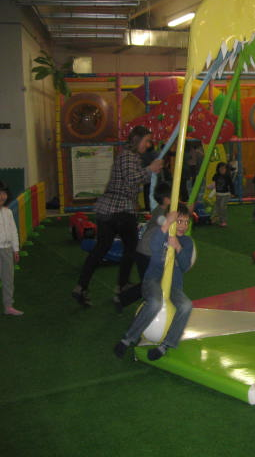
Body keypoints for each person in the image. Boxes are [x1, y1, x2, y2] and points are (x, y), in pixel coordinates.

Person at [71, 126, 163, 307]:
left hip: (108, 210)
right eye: (146, 141)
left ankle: (81, 286)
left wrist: (151, 171)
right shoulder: (128, 156)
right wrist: (150, 169)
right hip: (121, 210)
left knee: (101, 249)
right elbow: (131, 179)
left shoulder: (128, 156)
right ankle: (122, 285)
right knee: (131, 247)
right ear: (137, 139)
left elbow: (134, 179)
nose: (148, 145)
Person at [114, 204, 194, 361]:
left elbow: (185, 266)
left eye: (186, 222)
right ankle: (127, 339)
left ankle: (166, 345)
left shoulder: (187, 242)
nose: (183, 226)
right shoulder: (161, 234)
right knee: (155, 303)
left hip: (174, 285)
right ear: (171, 220)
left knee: (186, 305)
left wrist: (178, 247)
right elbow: (154, 247)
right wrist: (166, 225)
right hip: (153, 279)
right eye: (179, 221)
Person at [113, 181, 172, 313]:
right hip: (146, 254)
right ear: (166, 199)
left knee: (151, 282)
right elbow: (163, 222)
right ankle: (123, 299)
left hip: (147, 253)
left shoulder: (163, 210)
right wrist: (171, 219)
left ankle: (123, 299)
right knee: (150, 283)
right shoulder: (160, 212)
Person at [0, 182, 22, 316]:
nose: (2, 196)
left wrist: (16, 249)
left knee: (8, 278)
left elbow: (14, 231)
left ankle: (8, 305)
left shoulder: (8, 212)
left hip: (7, 249)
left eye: (4, 193)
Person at [207, 162, 234, 227]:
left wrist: (232, 193)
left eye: (223, 169)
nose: (222, 170)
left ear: (226, 169)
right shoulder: (216, 176)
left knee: (222, 207)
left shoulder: (227, 177)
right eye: (221, 169)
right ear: (218, 169)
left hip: (225, 194)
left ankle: (223, 221)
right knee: (217, 207)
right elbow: (214, 182)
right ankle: (214, 218)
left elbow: (231, 185)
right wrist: (211, 186)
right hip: (218, 194)